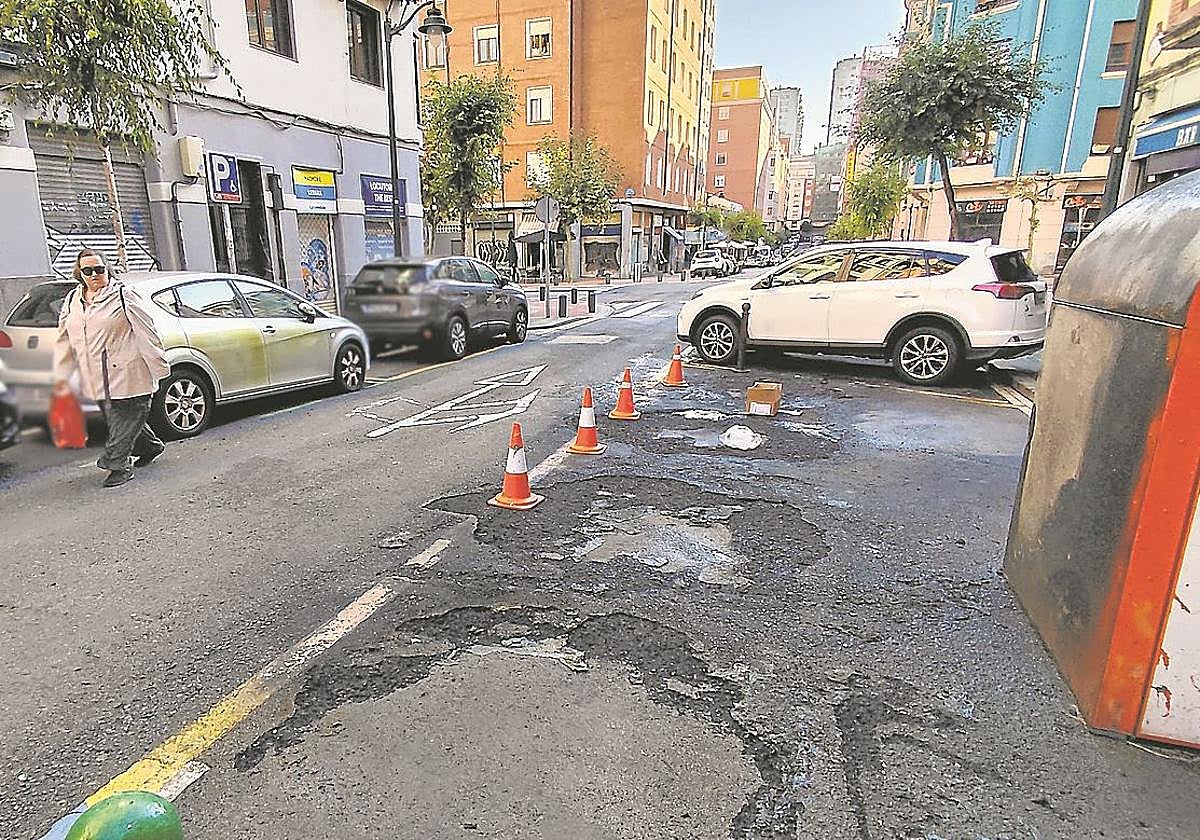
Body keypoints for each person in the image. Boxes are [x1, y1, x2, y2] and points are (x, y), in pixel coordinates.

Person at [53, 249, 170, 488]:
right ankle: (150, 446)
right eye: (88, 271)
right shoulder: (73, 299)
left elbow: (148, 333)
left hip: (128, 372)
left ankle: (117, 464)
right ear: (80, 274)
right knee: (121, 419)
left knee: (125, 415)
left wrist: (158, 367)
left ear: (107, 269)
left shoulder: (123, 295)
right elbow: (65, 335)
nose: (94, 274)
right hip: (94, 375)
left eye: (99, 269)